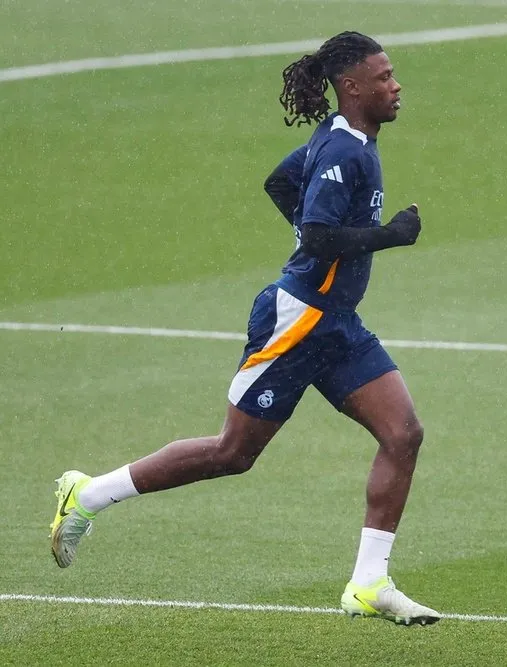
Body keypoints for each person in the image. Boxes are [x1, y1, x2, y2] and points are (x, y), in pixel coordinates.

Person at [49, 31, 442, 625]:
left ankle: (369, 583)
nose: (396, 85)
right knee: (232, 453)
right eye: (384, 77)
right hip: (297, 321)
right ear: (352, 87)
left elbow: (280, 183)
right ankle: (88, 494)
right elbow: (318, 235)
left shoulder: (345, 138)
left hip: (336, 323)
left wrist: (322, 248)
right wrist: (388, 235)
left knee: (403, 433)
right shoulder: (344, 150)